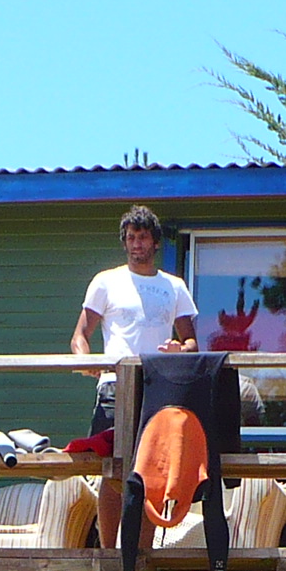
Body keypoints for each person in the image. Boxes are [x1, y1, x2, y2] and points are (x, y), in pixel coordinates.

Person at [70, 204, 198, 547]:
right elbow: (80, 335)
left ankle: (142, 554)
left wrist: (179, 350)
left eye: (142, 237)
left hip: (158, 389)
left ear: (155, 242)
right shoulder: (106, 281)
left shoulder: (174, 286)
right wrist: (86, 360)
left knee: (151, 472)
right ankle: (110, 554)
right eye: (130, 238)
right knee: (113, 471)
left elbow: (191, 342)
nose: (136, 244)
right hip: (115, 387)